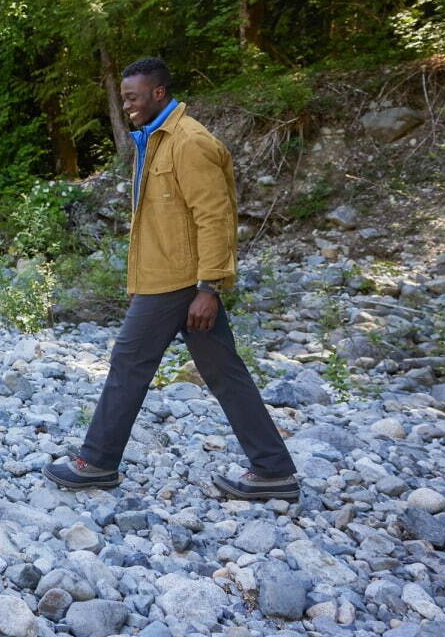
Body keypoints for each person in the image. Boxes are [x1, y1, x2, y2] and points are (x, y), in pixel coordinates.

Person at [44, 57, 299, 501]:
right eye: (123, 98)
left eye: (132, 97)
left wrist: (209, 288)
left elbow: (215, 217)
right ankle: (273, 470)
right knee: (223, 371)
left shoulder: (189, 142)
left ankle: (97, 461)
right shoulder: (157, 139)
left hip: (180, 282)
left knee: (129, 361)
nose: (126, 106)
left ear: (158, 93)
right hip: (169, 276)